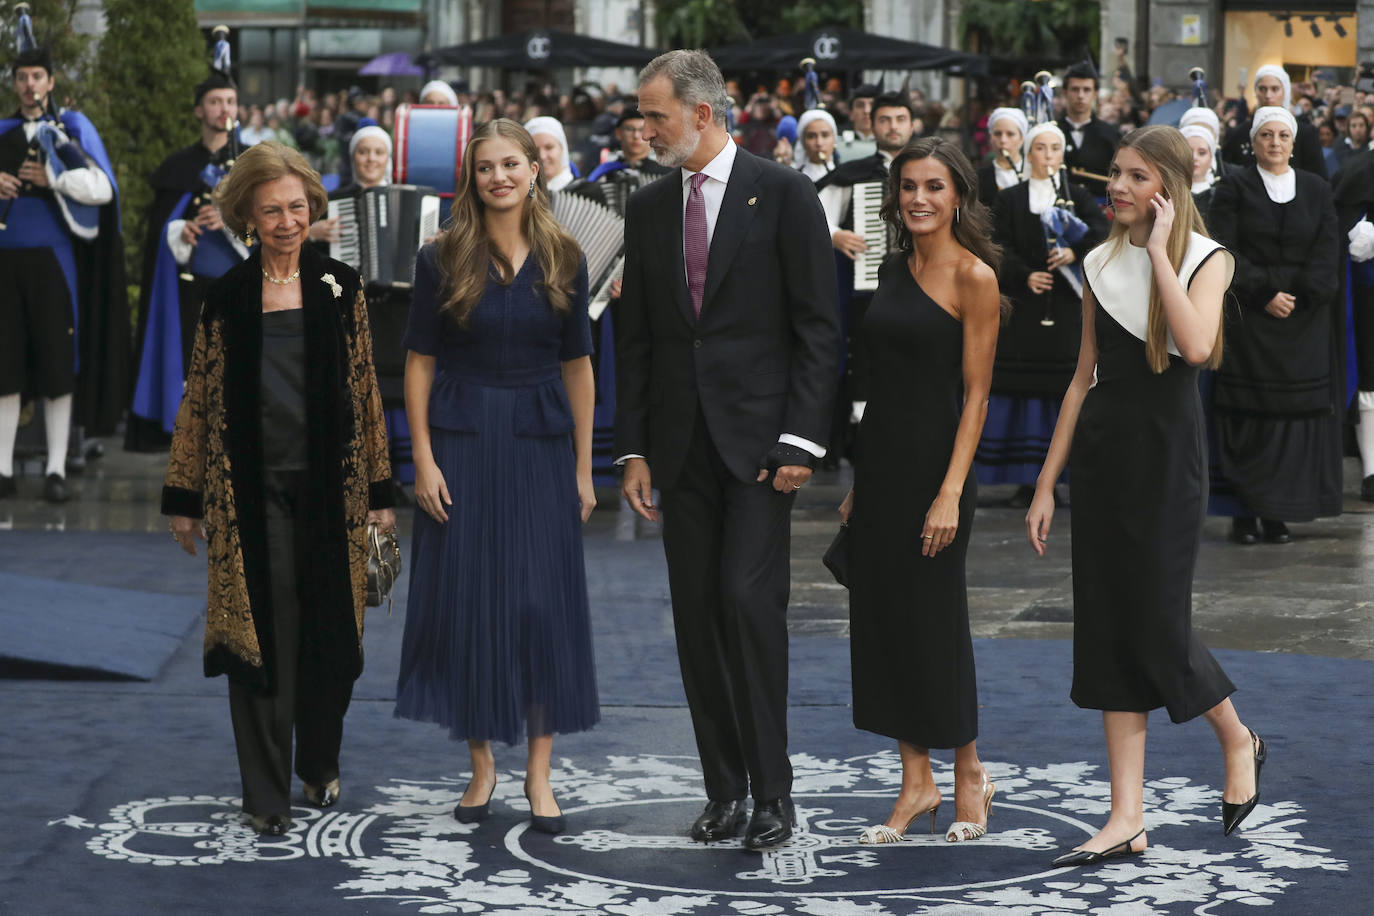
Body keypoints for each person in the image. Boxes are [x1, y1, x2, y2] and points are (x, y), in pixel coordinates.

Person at [616, 49, 840, 849]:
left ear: (702, 115)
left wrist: (801, 441)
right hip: (680, 450)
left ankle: (774, 795)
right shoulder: (646, 210)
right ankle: (724, 791)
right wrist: (634, 450)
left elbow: (819, 326)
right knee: (698, 618)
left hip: (761, 448)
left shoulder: (782, 193)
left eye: (655, 117)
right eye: (643, 118)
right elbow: (636, 342)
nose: (644, 131)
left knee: (748, 608)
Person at [1025, 125, 1265, 866]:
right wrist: (1044, 481)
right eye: (1114, 175)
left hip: (1165, 463)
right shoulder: (1096, 261)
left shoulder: (1207, 258)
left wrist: (1160, 253)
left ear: (1167, 187)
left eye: (1134, 176)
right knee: (1106, 629)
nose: (1117, 187)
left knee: (1157, 624)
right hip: (1101, 462)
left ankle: (1237, 738)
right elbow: (1082, 377)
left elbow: (1195, 347)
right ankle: (1126, 816)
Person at [162, 141, 395, 836]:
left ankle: (317, 762)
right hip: (248, 496)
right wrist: (185, 496)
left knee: (333, 644)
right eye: (272, 210)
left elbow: (366, 393)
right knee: (257, 638)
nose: (288, 221)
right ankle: (265, 793)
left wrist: (382, 492)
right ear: (248, 217)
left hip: (334, 492)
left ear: (313, 208)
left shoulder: (341, 287)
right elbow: (199, 398)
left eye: (297, 207)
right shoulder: (226, 298)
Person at [393, 119, 600, 837]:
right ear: (471, 178)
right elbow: (418, 360)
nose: (500, 177)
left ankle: (539, 772)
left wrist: (583, 466)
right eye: (487, 167)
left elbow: (579, 365)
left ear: (535, 169)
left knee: (542, 606)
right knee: (469, 601)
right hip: (462, 439)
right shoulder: (441, 256)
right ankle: (481, 764)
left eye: (513, 164)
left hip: (542, 442)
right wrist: (420, 455)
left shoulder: (567, 255)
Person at [840, 137, 1002, 845]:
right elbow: (879, 388)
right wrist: (857, 483)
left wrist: (951, 490)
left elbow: (976, 395)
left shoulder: (976, 276)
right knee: (883, 626)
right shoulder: (893, 268)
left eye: (933, 187)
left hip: (941, 471)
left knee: (935, 626)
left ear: (957, 195)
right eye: (908, 187)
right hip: (881, 468)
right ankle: (916, 782)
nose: (918, 199)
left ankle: (969, 772)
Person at [0, 14, 125, 502]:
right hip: (5, 263)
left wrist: (53, 179)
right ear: (14, 82)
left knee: (56, 364)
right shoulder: (3, 129)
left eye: (37, 77)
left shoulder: (72, 129)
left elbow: (100, 189)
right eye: (21, 77)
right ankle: (3, 469)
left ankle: (55, 469)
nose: (29, 85)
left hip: (54, 262)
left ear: (50, 82)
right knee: (4, 367)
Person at [1208, 107, 1343, 544]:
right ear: (1254, 141)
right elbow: (1224, 247)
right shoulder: (1233, 187)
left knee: (1292, 420)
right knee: (1250, 417)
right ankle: (1245, 512)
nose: (1276, 142)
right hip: (1251, 322)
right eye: (1267, 134)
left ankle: (1278, 512)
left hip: (1303, 323)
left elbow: (1328, 249)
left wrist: (1301, 295)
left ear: (1294, 141)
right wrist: (1263, 291)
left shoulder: (1317, 189)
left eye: (1284, 135)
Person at [979, 121, 1108, 504]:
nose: (1048, 156)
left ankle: (1064, 474)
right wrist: (1024, 275)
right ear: (1029, 152)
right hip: (1023, 311)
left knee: (1063, 388)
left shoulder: (1079, 198)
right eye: (1040, 148)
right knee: (1022, 391)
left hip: (1067, 312)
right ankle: (1023, 476)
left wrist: (1074, 253)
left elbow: (1102, 235)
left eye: (1055, 149)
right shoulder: (1011, 198)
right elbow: (995, 246)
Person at [128, 45, 248, 451]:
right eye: (215, 101)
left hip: (242, 286)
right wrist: (181, 230)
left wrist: (229, 220)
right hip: (189, 287)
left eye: (230, 101)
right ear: (200, 110)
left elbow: (270, 229)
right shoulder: (179, 165)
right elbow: (162, 231)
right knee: (191, 367)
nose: (223, 109)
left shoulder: (253, 163)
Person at [815, 93, 918, 461]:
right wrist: (837, 235)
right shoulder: (854, 174)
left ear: (912, 124)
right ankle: (866, 442)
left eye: (900, 118)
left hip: (924, 287)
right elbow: (811, 209)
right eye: (885, 119)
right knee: (868, 361)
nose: (893, 126)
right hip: (868, 289)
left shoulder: (932, 170)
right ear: (871, 125)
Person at [1221, 66, 1327, 179]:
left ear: (1285, 91)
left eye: (1275, 89)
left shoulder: (1306, 133)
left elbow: (1317, 180)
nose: (1268, 95)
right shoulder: (1239, 133)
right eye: (1262, 89)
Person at [1058, 62, 1119, 200]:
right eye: (1075, 89)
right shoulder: (1051, 132)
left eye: (1086, 90)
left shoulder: (1110, 134)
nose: (1080, 95)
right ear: (1065, 92)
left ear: (1095, 93)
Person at [977, 107, 1028, 205]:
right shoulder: (979, 178)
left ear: (1022, 139)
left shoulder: (1032, 173)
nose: (1003, 140)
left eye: (1010, 134)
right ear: (990, 138)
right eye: (997, 134)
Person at [525, 116, 577, 191]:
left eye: (549, 147)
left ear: (562, 149)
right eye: (535, 150)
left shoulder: (587, 194)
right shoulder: (522, 196)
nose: (542, 156)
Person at [1182, 124, 1218, 223]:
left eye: (1201, 153)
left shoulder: (1221, 195)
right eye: (1188, 152)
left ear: (1211, 158)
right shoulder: (1170, 195)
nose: (1194, 158)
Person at [796, 108, 838, 182]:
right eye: (811, 136)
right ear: (803, 142)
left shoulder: (845, 176)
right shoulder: (795, 180)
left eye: (825, 135)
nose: (819, 143)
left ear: (834, 139)